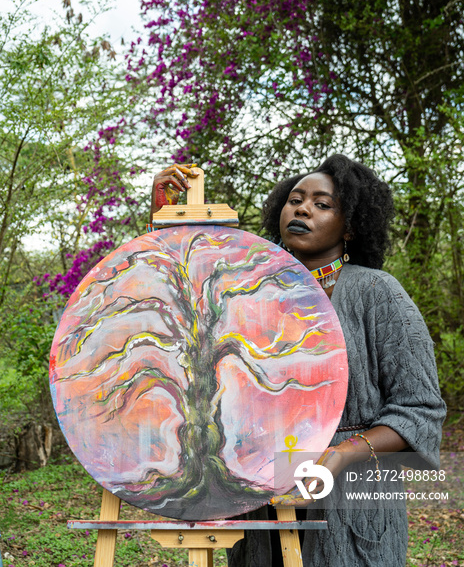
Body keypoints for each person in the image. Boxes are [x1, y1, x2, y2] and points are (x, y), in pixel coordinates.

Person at [150, 155, 446, 567]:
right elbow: (184, 316)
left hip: (352, 501)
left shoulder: (378, 293)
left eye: (322, 204)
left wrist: (341, 454)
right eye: (295, 199)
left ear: (352, 226)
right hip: (263, 492)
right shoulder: (249, 294)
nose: (303, 209)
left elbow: (420, 409)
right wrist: (163, 217)